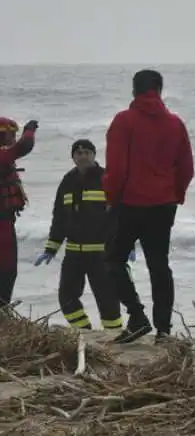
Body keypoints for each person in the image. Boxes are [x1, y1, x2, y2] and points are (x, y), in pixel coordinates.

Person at [103, 70, 195, 344]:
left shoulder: (123, 121)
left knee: (114, 260)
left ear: (134, 90)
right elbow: (186, 168)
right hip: (163, 204)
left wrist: (111, 199)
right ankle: (164, 330)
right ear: (160, 89)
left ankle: (137, 317)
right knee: (159, 265)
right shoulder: (175, 123)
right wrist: (175, 195)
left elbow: (116, 169)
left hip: (131, 202)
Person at [34, 139, 134, 330]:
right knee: (66, 297)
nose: (83, 156)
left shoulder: (107, 178)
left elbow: (121, 213)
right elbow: (59, 218)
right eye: (79, 153)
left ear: (94, 155)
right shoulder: (67, 181)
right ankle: (83, 331)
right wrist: (51, 248)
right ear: (73, 157)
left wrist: (126, 243)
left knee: (107, 298)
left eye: (87, 152)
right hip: (73, 253)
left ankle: (113, 335)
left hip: (101, 253)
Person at [0, 118, 36, 306]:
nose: (12, 138)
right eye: (10, 134)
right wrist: (30, 131)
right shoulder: (3, 156)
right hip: (2, 224)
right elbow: (24, 146)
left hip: (6, 221)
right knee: (6, 270)